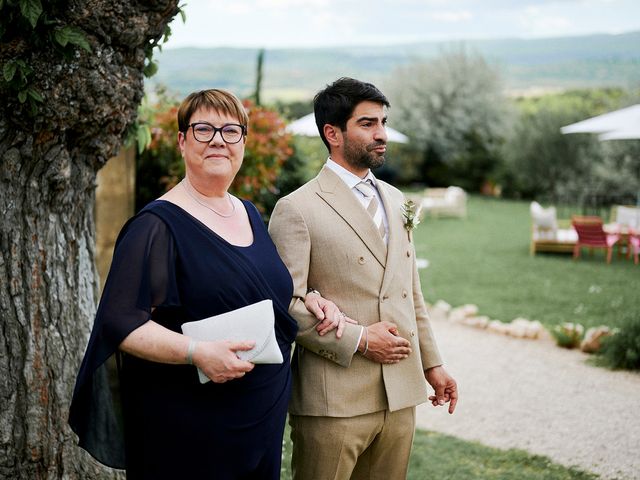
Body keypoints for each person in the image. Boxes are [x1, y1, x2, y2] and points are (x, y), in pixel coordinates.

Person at [68, 89, 345, 479]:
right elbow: (120, 322)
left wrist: (313, 299)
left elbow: (261, 290)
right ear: (182, 141)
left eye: (231, 131)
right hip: (190, 428)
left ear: (243, 144)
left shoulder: (248, 212)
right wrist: (197, 351)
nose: (218, 139)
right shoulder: (156, 226)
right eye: (204, 130)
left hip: (258, 422)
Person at [268, 77, 459, 480]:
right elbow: (283, 305)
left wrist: (433, 365)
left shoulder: (397, 199)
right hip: (333, 402)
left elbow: (411, 294)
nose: (382, 134)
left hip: (401, 396)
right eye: (368, 124)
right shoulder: (296, 208)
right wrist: (361, 339)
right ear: (332, 133)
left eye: (383, 122)